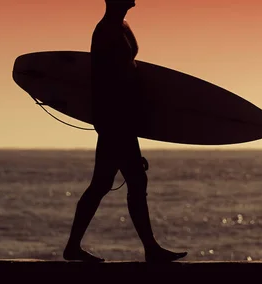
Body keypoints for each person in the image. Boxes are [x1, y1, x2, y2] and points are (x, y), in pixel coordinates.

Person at [63, 0, 187, 263]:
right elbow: (104, 80)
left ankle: (74, 246)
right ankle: (150, 249)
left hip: (122, 118)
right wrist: (109, 122)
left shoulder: (121, 26)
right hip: (115, 118)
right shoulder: (106, 31)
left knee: (103, 184)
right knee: (132, 181)